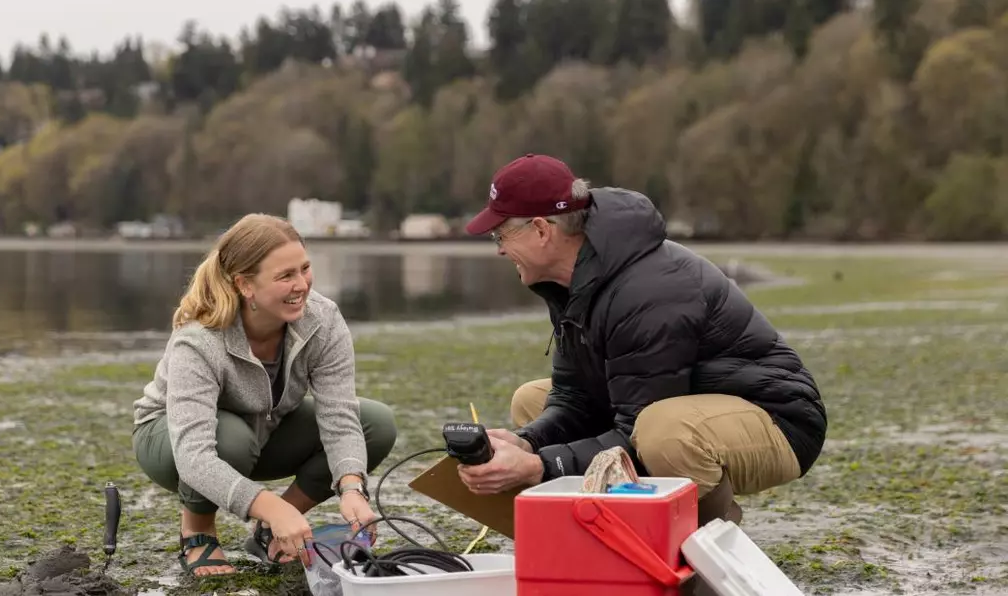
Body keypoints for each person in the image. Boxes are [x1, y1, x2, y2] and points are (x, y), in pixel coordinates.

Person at [455, 154, 827, 527]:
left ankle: (708, 532)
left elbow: (635, 432)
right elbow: (574, 397)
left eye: (500, 235)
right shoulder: (569, 281)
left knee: (662, 433)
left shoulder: (649, 289)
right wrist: (527, 443)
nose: (500, 249)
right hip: (675, 405)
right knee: (532, 399)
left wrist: (538, 467)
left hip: (778, 421)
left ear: (541, 230)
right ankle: (601, 530)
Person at [131, 213, 398, 577]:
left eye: (304, 268)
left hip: (265, 428)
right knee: (231, 439)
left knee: (375, 423)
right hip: (171, 441)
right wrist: (269, 503)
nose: (302, 284)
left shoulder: (324, 319)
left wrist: (352, 488)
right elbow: (193, 456)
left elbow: (339, 415)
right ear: (245, 285)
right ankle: (197, 532)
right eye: (285, 276)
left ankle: (270, 534)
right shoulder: (200, 339)